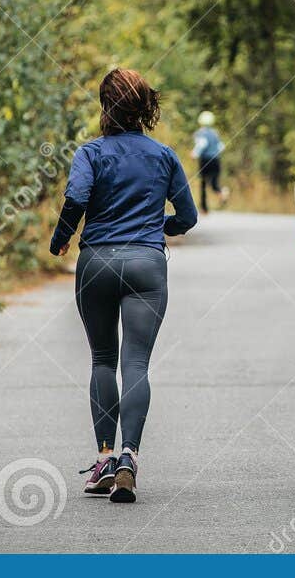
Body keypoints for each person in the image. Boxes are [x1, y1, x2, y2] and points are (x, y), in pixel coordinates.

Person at [52, 68, 197, 504]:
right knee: (136, 364)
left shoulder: (90, 153)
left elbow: (76, 199)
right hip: (147, 265)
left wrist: (61, 239)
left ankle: (104, 459)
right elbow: (187, 218)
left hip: (96, 262)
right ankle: (129, 459)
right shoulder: (164, 156)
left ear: (104, 106)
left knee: (101, 360)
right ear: (143, 107)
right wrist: (157, 226)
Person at [191, 110, 226, 211]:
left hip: (205, 160)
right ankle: (221, 193)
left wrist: (194, 154)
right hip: (216, 160)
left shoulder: (201, 133)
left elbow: (202, 144)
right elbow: (221, 146)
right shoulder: (215, 133)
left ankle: (204, 208)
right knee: (214, 183)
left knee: (203, 184)